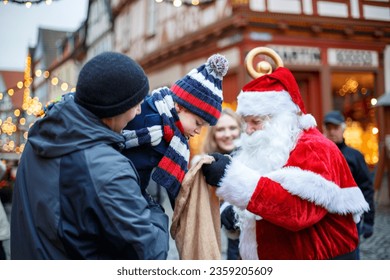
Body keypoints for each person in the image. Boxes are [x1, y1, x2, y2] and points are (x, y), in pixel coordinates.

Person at [11, 52, 169, 260]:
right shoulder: (108, 169)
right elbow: (149, 254)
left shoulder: (39, 138)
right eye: (136, 104)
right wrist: (152, 206)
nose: (139, 111)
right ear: (115, 109)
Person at [201, 66, 370, 260]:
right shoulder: (276, 146)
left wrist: (231, 178)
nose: (247, 130)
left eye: (255, 121)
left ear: (280, 118)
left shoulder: (314, 147)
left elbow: (299, 212)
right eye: (245, 122)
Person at [122, 53, 229, 205]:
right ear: (179, 106)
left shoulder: (170, 129)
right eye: (198, 123)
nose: (198, 131)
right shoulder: (155, 127)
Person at [323, 110, 375, 259]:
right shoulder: (320, 154)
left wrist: (369, 220)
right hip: (326, 220)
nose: (332, 132)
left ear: (343, 129)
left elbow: (366, 188)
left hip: (350, 219)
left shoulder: (354, 156)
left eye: (335, 128)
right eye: (329, 128)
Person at [200, 108, 242, 260]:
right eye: (220, 129)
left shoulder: (252, 159)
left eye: (232, 128)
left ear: (240, 129)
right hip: (224, 240)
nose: (227, 134)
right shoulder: (203, 163)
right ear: (213, 134)